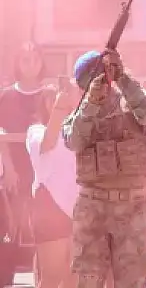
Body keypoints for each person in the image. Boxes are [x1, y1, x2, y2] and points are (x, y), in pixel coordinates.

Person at [62, 49, 146, 288]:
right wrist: (92, 102)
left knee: (132, 280)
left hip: (131, 206)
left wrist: (123, 78)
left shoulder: (131, 105)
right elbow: (73, 140)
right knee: (90, 279)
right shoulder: (80, 114)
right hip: (93, 207)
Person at [27, 77, 81, 288]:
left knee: (74, 278)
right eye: (51, 99)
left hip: (79, 208)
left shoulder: (79, 129)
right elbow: (47, 144)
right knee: (51, 277)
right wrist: (59, 108)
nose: (61, 101)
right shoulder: (36, 131)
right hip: (49, 207)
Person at [0, 42, 53, 253]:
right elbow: (1, 134)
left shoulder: (51, 94)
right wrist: (8, 169)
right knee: (12, 228)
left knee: (45, 231)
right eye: (25, 60)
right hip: (15, 170)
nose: (31, 65)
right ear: (17, 63)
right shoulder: (5, 96)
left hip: (45, 171)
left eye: (35, 60)